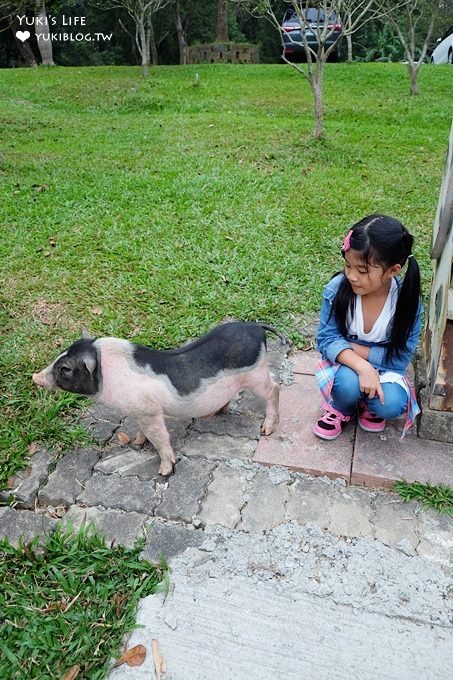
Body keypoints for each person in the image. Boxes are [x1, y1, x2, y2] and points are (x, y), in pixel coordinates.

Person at [313, 214, 423, 441]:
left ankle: (368, 405)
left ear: (393, 270)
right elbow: (325, 338)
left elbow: (400, 358)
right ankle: (342, 408)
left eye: (362, 271)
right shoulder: (337, 290)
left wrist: (351, 347)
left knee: (391, 404)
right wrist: (363, 368)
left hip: (384, 369)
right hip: (348, 366)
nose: (351, 276)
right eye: (347, 265)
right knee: (345, 386)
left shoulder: (407, 302)